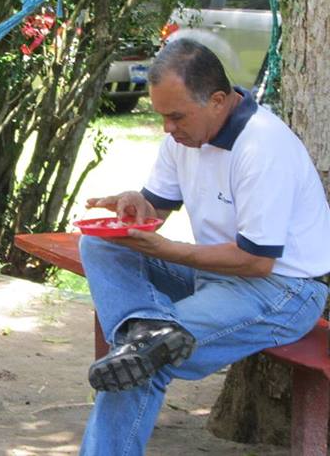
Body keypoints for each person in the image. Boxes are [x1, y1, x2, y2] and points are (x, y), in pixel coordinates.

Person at [78, 38, 330, 455]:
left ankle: (143, 342)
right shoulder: (184, 138)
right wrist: (136, 205)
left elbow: (257, 261)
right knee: (102, 247)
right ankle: (144, 330)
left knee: (142, 363)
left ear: (217, 101)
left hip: (284, 290)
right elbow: (156, 209)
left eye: (176, 116)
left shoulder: (263, 145)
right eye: (162, 116)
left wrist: (166, 250)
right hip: (216, 272)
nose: (167, 129)